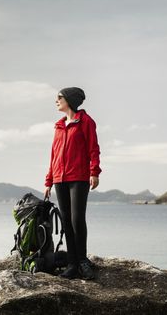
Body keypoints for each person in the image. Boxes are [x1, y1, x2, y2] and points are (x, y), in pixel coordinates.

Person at [43, 87, 101, 280]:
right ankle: (72, 264)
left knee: (77, 219)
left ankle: (83, 261)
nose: (56, 100)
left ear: (69, 100)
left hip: (79, 177)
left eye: (59, 97)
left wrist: (94, 172)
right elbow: (54, 155)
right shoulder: (59, 125)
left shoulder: (86, 122)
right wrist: (49, 181)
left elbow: (94, 148)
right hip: (60, 178)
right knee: (66, 220)